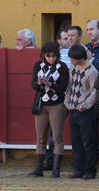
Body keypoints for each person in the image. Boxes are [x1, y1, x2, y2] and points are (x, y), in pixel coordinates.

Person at [29, 42, 69, 178]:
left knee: (57, 137)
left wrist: (49, 84)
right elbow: (33, 85)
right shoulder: (37, 65)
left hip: (57, 105)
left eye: (54, 56)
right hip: (42, 104)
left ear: (57, 55)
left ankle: (56, 170)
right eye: (48, 56)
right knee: (41, 138)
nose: (51, 59)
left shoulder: (62, 67)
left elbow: (63, 88)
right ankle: (38, 169)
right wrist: (39, 83)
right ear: (44, 55)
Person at [65, 44, 99, 180]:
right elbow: (69, 86)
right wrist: (67, 103)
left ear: (81, 59)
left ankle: (90, 170)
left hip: (86, 111)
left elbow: (94, 93)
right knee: (76, 141)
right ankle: (78, 168)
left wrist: (85, 105)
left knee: (88, 141)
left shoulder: (92, 72)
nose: (71, 61)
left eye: (73, 59)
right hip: (73, 109)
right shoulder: (73, 67)